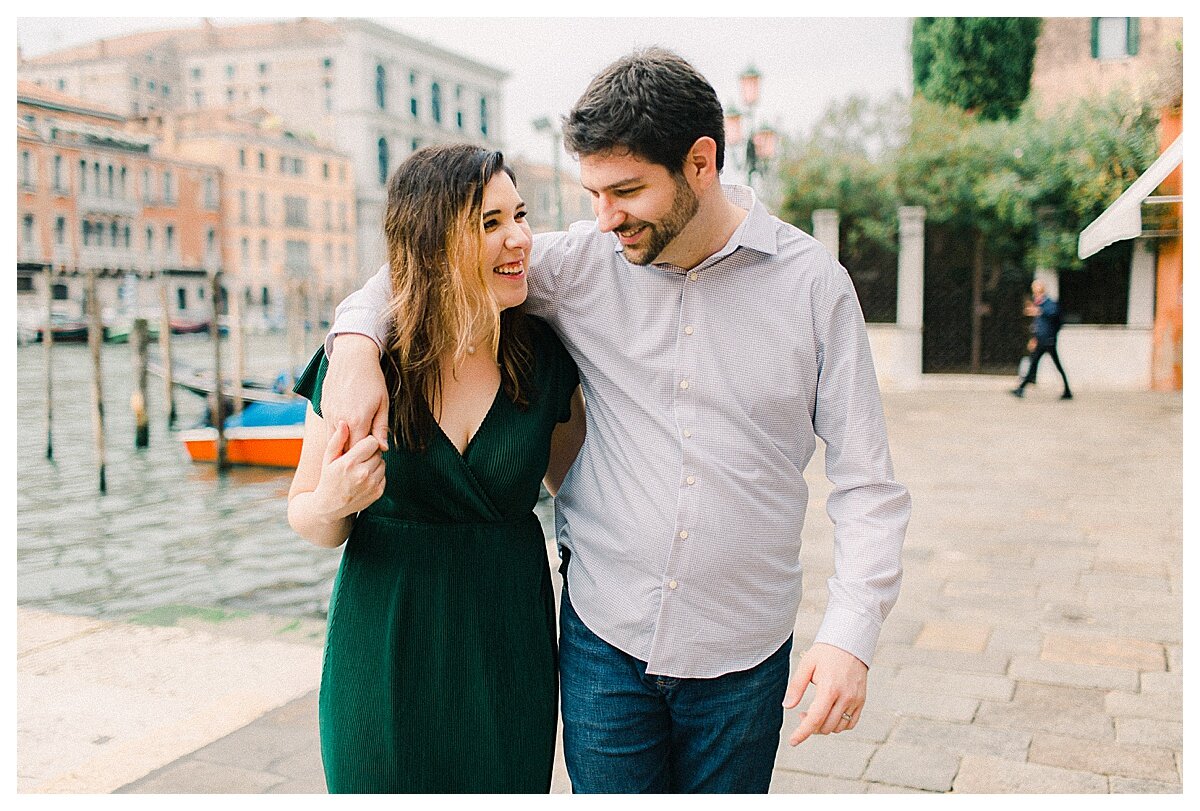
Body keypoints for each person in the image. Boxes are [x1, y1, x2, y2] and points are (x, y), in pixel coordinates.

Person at [320, 48, 910, 794]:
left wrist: (850, 636)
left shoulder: (815, 288)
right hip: (604, 646)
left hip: (745, 656)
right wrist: (354, 344)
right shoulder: (584, 262)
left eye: (626, 191)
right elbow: (434, 262)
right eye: (593, 193)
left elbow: (866, 483)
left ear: (702, 163)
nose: (604, 219)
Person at [286, 144, 585, 793]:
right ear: (433, 243)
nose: (520, 238)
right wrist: (335, 499)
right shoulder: (363, 365)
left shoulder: (544, 359)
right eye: (490, 223)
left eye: (521, 215)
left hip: (508, 650)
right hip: (385, 647)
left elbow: (587, 501)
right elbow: (308, 514)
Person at [1011, 279, 1073, 400]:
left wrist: (1040, 311)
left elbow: (1054, 315)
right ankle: (1021, 388)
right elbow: (1038, 325)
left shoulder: (1048, 304)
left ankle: (1021, 388)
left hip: (1047, 341)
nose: (1035, 294)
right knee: (1034, 364)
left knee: (1042, 364)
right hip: (1041, 340)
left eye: (1036, 292)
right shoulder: (1039, 305)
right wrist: (1034, 338)